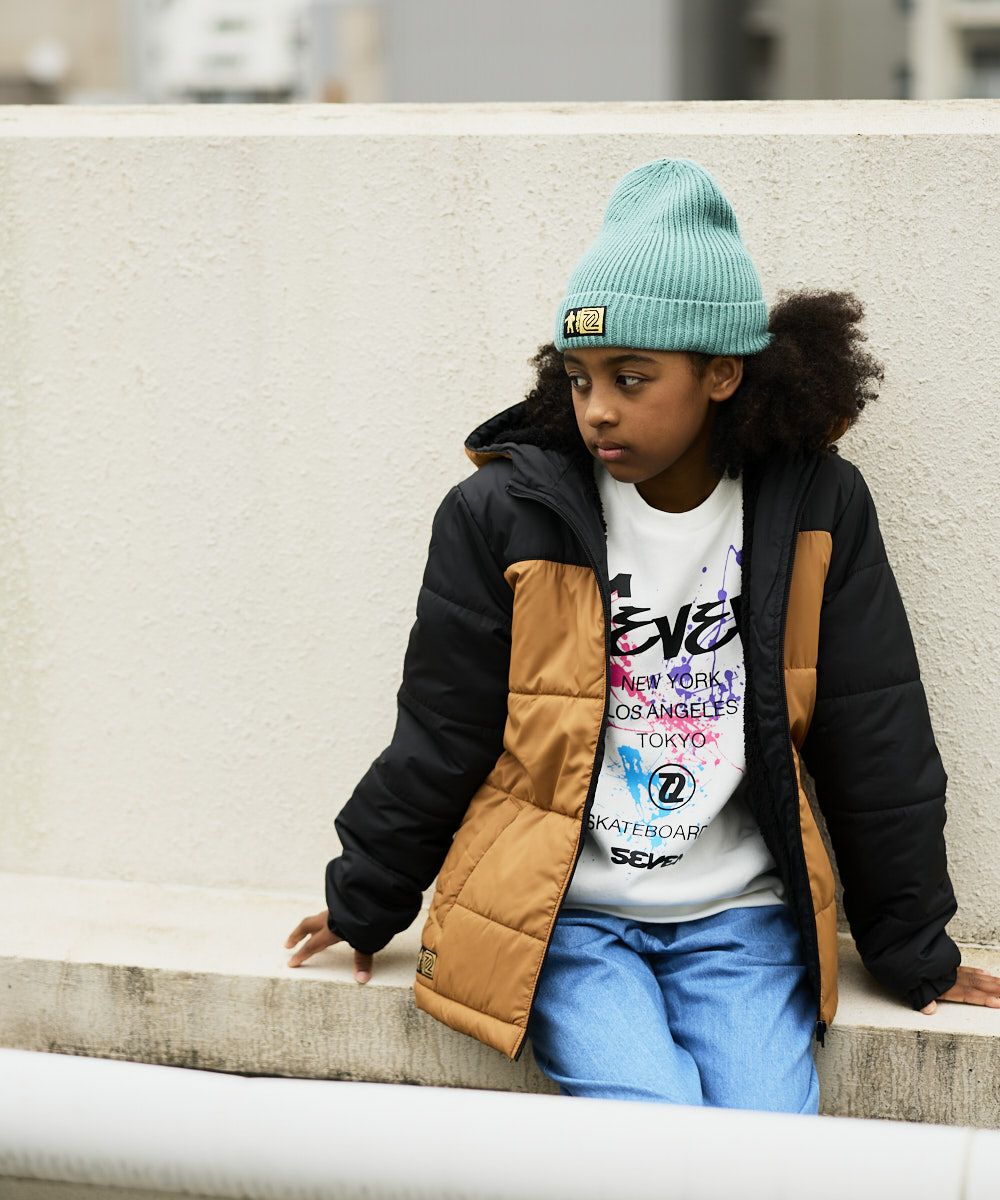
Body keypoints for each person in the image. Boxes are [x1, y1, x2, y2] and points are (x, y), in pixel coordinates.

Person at [285, 157, 1000, 1111]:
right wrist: (366, 896)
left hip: (742, 921)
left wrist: (911, 948)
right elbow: (444, 727)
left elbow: (875, 733)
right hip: (564, 921)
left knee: (774, 1144)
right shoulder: (504, 514)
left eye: (631, 377)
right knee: (654, 1130)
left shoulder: (816, 507)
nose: (598, 409)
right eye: (579, 379)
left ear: (721, 373)